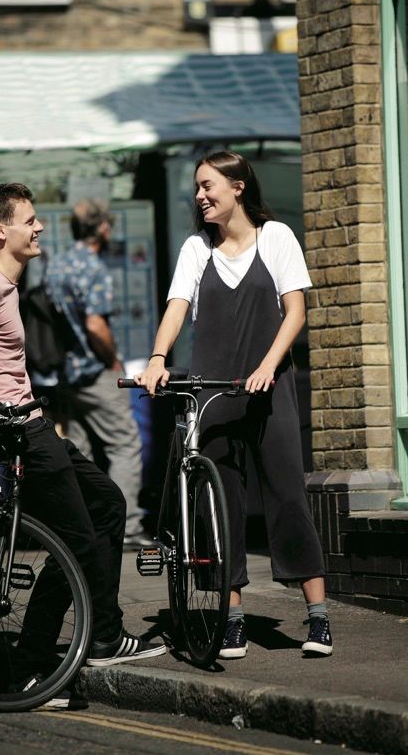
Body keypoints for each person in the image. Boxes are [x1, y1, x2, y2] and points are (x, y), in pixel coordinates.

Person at [0, 183, 165, 709]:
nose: (39, 227)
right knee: (75, 541)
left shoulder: (5, 285)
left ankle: (102, 635)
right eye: (29, 219)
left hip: (33, 423)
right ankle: (32, 667)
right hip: (15, 432)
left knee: (108, 504)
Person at [136, 151, 332, 660]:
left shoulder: (277, 237)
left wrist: (269, 364)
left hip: (270, 389)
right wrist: (158, 358)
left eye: (208, 186)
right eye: (198, 188)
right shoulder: (196, 250)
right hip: (212, 393)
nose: (200, 196)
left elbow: (295, 311)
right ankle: (234, 619)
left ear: (237, 187)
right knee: (218, 509)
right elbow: (176, 310)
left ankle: (318, 616)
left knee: (288, 496)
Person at [44, 198, 152, 551]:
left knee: (81, 450)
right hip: (94, 371)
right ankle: (129, 526)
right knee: (125, 444)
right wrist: (113, 360)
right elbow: (95, 325)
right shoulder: (93, 268)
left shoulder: (57, 266)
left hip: (67, 373)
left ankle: (81, 525)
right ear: (102, 228)